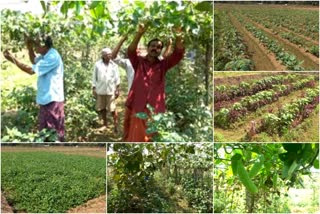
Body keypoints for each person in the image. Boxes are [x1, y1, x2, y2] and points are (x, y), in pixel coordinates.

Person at [123, 23, 184, 142]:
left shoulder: (164, 65)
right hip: (138, 104)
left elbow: (178, 53)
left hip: (155, 108)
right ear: (148, 47)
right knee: (136, 138)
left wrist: (178, 34)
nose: (155, 48)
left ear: (160, 51)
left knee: (152, 138)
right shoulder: (139, 62)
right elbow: (131, 51)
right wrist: (140, 33)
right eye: (152, 46)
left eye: (158, 47)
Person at [3, 35, 65, 141]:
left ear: (44, 45)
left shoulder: (52, 56)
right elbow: (34, 61)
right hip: (46, 98)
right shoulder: (46, 54)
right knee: (44, 131)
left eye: (36, 45)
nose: (35, 48)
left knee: (53, 132)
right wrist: (29, 46)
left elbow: (31, 70)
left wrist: (13, 59)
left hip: (53, 99)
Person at [92, 47, 120, 133]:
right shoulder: (97, 65)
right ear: (103, 56)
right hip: (100, 90)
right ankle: (105, 124)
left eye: (110, 54)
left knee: (112, 108)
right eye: (107, 55)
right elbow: (94, 77)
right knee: (102, 108)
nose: (110, 56)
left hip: (111, 90)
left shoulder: (114, 65)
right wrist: (94, 88)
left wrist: (117, 89)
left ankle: (115, 125)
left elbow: (117, 78)